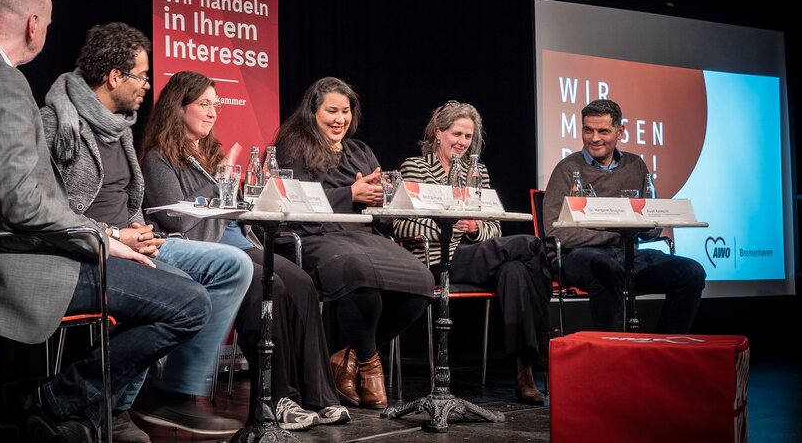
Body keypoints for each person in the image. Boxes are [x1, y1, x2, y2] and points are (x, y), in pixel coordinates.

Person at [0, 0, 211, 443]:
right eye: (47, 25)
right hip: (7, 267)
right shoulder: (1, 81)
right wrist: (105, 238)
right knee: (190, 302)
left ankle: (90, 416)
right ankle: (55, 400)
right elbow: (25, 205)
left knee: (158, 282)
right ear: (34, 24)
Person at [40, 24, 251, 440]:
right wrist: (116, 235)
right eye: (141, 75)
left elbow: (129, 201)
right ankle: (111, 406)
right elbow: (47, 211)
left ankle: (175, 390)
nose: (148, 85)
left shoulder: (118, 128)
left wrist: (137, 229)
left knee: (235, 266)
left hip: (137, 241)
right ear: (114, 76)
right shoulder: (56, 126)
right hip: (89, 250)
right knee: (182, 298)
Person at [140, 71, 351, 430]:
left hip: (243, 243)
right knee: (271, 286)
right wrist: (221, 185)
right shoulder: (159, 159)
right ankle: (275, 400)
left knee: (301, 282)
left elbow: (236, 213)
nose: (212, 113)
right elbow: (176, 222)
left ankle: (320, 397)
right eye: (204, 104)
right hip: (207, 253)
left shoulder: (210, 153)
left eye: (216, 105)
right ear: (179, 107)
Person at [273, 76, 435, 409]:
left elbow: (383, 216)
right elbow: (295, 202)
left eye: (345, 111)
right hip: (317, 236)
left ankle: (346, 358)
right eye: (332, 111)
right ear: (313, 111)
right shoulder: (293, 145)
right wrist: (350, 194)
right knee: (358, 273)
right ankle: (371, 367)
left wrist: (386, 200)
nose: (339, 119)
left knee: (422, 281)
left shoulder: (360, 151)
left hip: (364, 236)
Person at [393, 101, 553, 404]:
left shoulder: (477, 171)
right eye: (456, 134)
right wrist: (453, 226)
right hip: (437, 260)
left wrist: (476, 230)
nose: (462, 142)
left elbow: (493, 227)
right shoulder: (415, 166)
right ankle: (543, 338)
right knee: (530, 247)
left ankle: (524, 371)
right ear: (438, 132)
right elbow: (401, 224)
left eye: (468, 136)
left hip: (480, 256)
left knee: (516, 270)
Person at [543, 98, 706, 332]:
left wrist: (650, 225)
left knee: (691, 273)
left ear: (620, 131)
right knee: (606, 268)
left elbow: (651, 228)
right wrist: (619, 232)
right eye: (588, 130)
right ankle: (616, 355)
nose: (594, 138)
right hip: (581, 257)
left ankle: (664, 349)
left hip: (628, 255)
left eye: (603, 131)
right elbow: (555, 231)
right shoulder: (567, 169)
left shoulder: (635, 166)